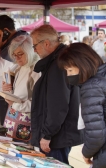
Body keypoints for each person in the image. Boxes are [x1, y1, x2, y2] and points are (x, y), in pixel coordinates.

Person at [30, 25, 83, 164]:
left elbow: (58, 105)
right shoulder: (59, 60)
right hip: (59, 133)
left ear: (46, 43)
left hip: (57, 136)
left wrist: (47, 134)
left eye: (35, 45)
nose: (34, 50)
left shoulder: (58, 64)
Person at [58, 43, 106, 168]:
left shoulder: (92, 87)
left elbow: (96, 134)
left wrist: (86, 153)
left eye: (70, 70)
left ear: (82, 65)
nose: (68, 76)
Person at [0, 35, 40, 142]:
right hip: (12, 118)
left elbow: (37, 103)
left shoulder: (36, 70)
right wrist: (6, 88)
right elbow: (2, 83)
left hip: (25, 119)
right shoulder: (17, 67)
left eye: (20, 54)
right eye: (14, 55)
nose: (17, 58)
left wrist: (15, 104)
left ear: (30, 51)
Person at [0, 15, 28, 125]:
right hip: (8, 93)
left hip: (15, 97)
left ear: (5, 31)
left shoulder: (17, 42)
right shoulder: (13, 42)